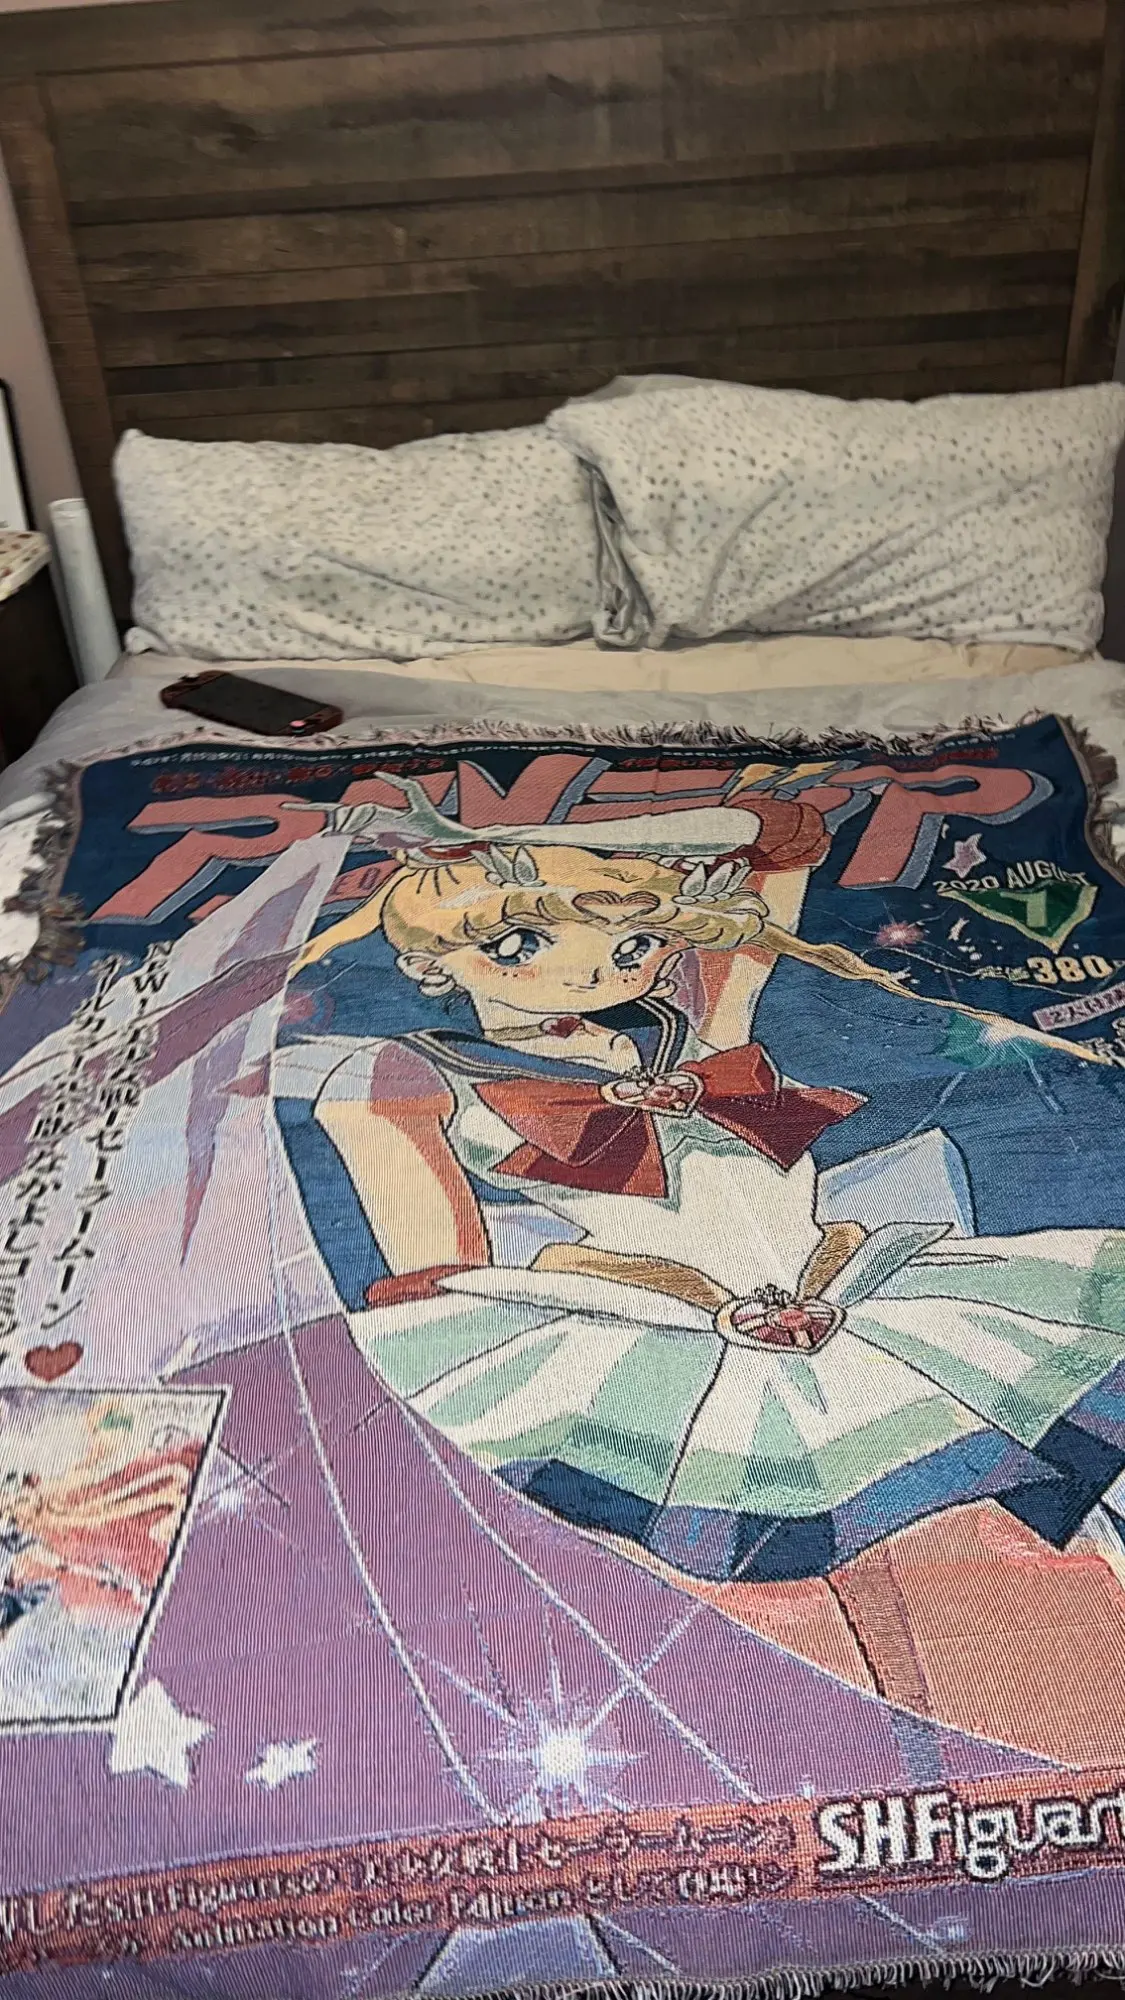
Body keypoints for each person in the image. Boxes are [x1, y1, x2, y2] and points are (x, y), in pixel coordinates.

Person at [277, 789, 1125, 1598]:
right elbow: (436, 1275)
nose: (590, 972)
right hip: (661, 1330)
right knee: (820, 1565)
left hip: (853, 1288)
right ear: (427, 964)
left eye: (633, 945)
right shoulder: (407, 1072)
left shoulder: (697, 1020)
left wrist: (553, 841)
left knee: (1047, 1482)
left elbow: (782, 836)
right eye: (519, 944)